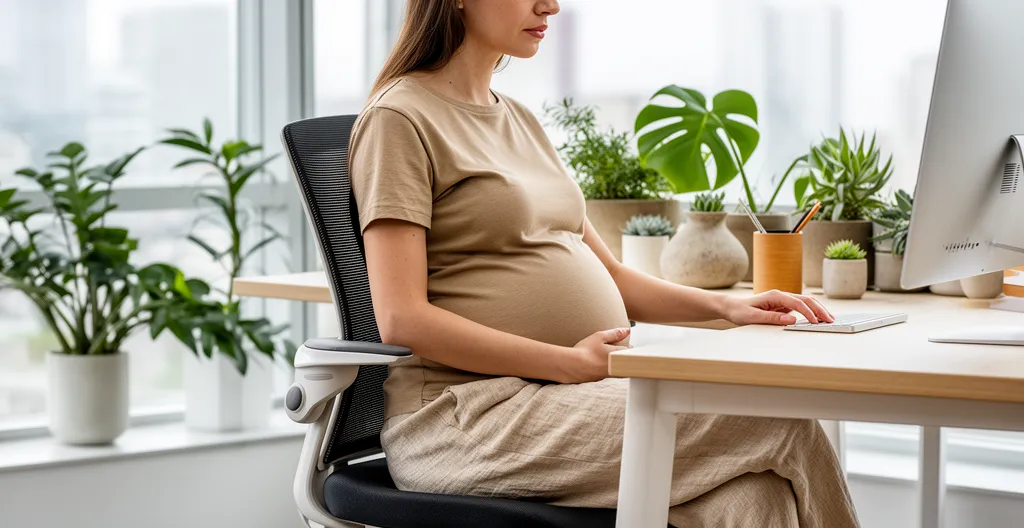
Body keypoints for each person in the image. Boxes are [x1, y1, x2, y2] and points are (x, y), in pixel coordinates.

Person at [348, 0, 860, 525]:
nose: (551, 5)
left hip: (568, 397)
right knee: (777, 421)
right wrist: (566, 363)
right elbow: (403, 317)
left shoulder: (519, 119)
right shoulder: (399, 119)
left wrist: (729, 308)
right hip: (467, 417)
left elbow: (612, 276)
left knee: (755, 497)